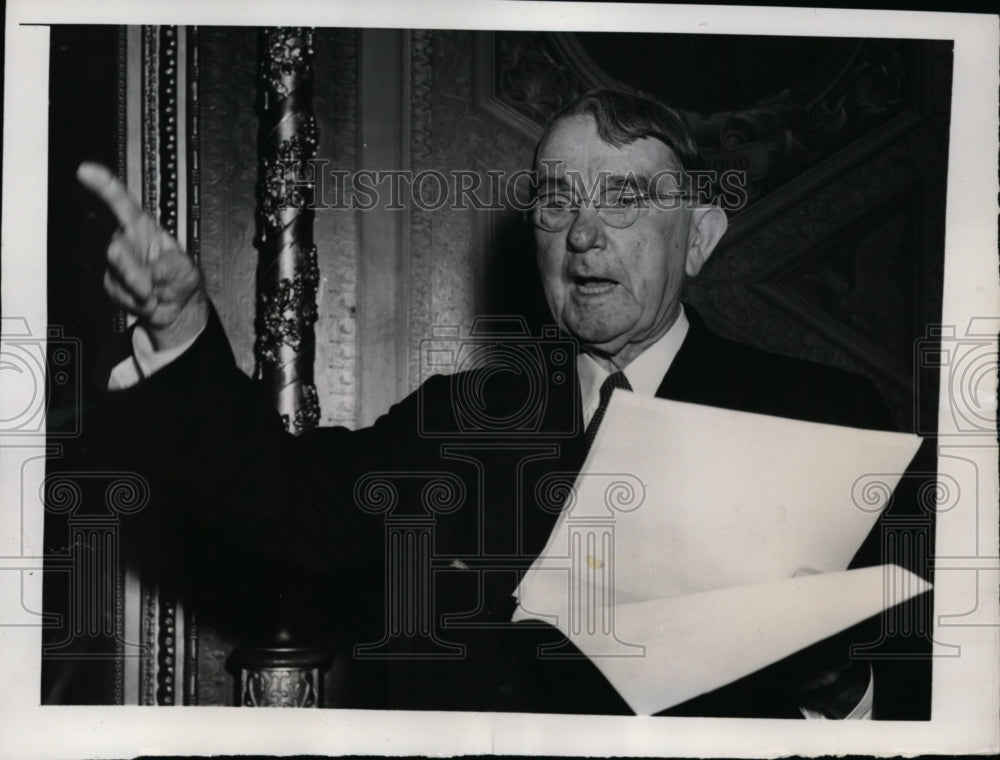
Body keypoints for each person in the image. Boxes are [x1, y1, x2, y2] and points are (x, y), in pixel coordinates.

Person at [78, 89, 927, 718]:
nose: (583, 233)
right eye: (557, 200)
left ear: (698, 238)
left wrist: (847, 688)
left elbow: (944, 680)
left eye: (623, 199)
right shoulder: (455, 423)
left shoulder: (821, 418)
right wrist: (186, 329)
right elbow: (279, 505)